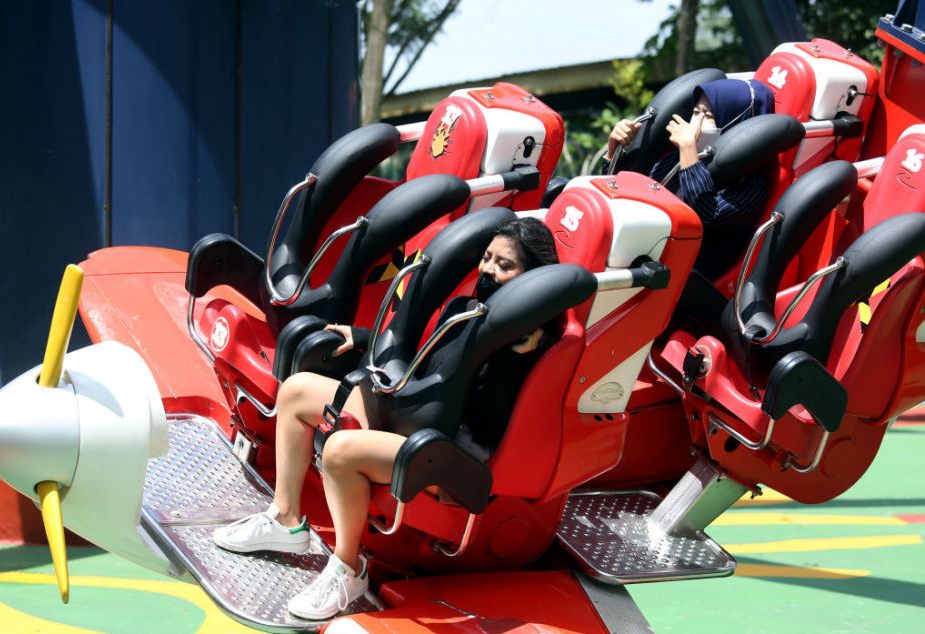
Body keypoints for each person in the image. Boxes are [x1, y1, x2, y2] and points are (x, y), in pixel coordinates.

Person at [212, 217, 559, 619]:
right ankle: (286, 519)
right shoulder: (465, 308)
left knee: (341, 451)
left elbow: (491, 421)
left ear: (534, 279)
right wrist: (361, 339)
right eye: (486, 258)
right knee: (298, 391)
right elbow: (422, 359)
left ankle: (349, 568)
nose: (488, 270)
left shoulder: (531, 345)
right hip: (412, 413)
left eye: (505, 265)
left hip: (450, 448)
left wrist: (509, 362)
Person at [606, 78, 775, 281]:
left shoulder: (751, 185)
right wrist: (613, 152)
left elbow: (706, 213)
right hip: (642, 256)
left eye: (709, 115)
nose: (697, 122)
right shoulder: (673, 158)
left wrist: (688, 150)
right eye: (696, 112)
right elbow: (630, 199)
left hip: (688, 279)